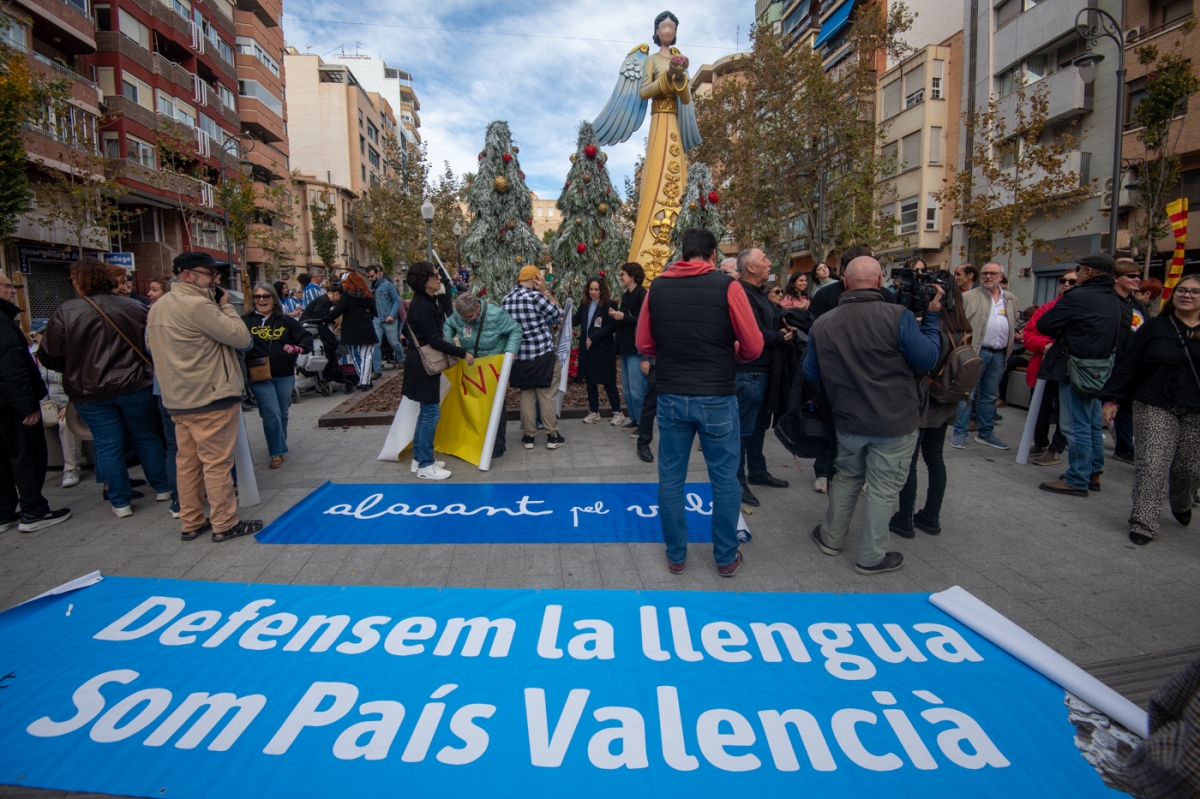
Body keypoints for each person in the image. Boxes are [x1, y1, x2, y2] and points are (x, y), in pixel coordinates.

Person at [804, 256, 943, 575]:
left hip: (848, 419)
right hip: (894, 421)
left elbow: (811, 372)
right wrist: (932, 320)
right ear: (879, 281)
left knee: (847, 477)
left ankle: (830, 538)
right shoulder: (898, 316)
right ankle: (871, 556)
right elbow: (926, 360)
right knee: (882, 487)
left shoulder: (823, 323)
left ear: (846, 282)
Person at [636, 229, 763, 576]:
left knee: (671, 478)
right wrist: (732, 350)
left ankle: (676, 555)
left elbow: (644, 343)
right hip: (717, 396)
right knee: (724, 480)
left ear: (682, 252)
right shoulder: (728, 287)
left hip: (672, 395)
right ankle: (725, 557)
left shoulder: (657, 288)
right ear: (711, 255)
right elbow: (753, 347)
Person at [39, 259, 170, 519]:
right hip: (135, 384)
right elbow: (151, 344)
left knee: (107, 444)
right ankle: (163, 487)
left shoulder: (66, 311)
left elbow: (49, 355)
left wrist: (75, 368)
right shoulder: (134, 307)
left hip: (89, 390)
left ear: (79, 281)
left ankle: (120, 501)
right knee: (146, 435)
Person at [147, 252, 261, 542]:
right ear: (187, 275)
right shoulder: (199, 305)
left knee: (187, 463)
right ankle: (224, 523)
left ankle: (192, 521)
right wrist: (225, 308)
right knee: (217, 464)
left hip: (178, 398)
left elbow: (151, 346)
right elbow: (242, 339)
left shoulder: (159, 307)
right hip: (210, 397)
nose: (215, 280)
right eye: (209, 274)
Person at [1101, 273, 1199, 544]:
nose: (1186, 295)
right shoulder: (1155, 327)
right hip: (1154, 403)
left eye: (1194, 291)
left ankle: (1181, 501)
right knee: (1152, 464)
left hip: (1195, 409)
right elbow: (1129, 363)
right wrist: (1112, 399)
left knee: (1188, 467)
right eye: (1182, 290)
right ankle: (1143, 522)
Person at [1035, 252, 1133, 497]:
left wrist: (1066, 325)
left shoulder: (1079, 296)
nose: (1075, 275)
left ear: (1088, 271)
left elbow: (1044, 324)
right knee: (1090, 424)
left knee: (1075, 425)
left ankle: (1077, 478)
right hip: (1102, 369)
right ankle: (1093, 472)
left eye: (1078, 270)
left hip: (1076, 367)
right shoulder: (1117, 299)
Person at [891, 274, 972, 538]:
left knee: (910, 461)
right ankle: (931, 516)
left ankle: (904, 519)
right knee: (935, 459)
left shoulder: (933, 326)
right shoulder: (962, 326)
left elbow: (920, 362)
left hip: (924, 399)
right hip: (946, 397)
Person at [0, 273, 71, 533]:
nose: (12, 290)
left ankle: (4, 512)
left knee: (4, 460)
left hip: (6, 403)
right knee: (25, 456)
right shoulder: (3, 324)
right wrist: (27, 406)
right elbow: (12, 369)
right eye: (7, 285)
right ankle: (34, 511)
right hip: (11, 406)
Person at [808, 245, 876, 493]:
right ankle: (823, 472)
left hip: (871, 378)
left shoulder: (885, 297)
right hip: (833, 376)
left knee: (866, 428)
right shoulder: (826, 295)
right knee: (829, 425)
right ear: (845, 270)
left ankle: (863, 474)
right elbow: (812, 332)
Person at [734, 248, 793, 507]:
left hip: (765, 370)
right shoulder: (741, 294)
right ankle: (737, 481)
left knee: (758, 427)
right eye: (765, 260)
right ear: (751, 268)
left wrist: (783, 325)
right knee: (743, 431)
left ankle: (757, 472)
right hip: (750, 372)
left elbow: (770, 322)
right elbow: (753, 334)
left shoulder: (759, 294)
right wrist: (781, 336)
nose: (770, 264)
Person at [403, 261, 472, 480]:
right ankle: (425, 465)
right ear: (424, 280)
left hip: (420, 364)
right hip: (423, 365)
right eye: (434, 275)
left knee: (426, 412)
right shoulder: (422, 305)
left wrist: (442, 297)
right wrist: (462, 353)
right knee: (431, 413)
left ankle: (419, 459)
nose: (439, 278)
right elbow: (434, 339)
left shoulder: (425, 301)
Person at [242, 283, 312, 469]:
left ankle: (278, 445)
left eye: (266, 296)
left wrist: (297, 348)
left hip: (284, 373)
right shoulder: (245, 321)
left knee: (282, 412)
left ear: (274, 299)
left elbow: (306, 339)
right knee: (270, 412)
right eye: (257, 297)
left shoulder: (286, 321)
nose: (262, 300)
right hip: (258, 375)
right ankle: (277, 452)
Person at [445, 294, 522, 459]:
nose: (468, 320)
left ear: (478, 308)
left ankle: (498, 445)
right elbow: (448, 325)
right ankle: (476, 438)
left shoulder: (496, 315)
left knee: (496, 403)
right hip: (471, 366)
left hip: (492, 365)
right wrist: (451, 344)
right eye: (464, 317)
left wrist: (511, 351)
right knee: (475, 403)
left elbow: (515, 330)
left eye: (471, 316)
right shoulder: (459, 316)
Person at [951, 262, 1018, 450]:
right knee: (967, 394)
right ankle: (959, 433)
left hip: (999, 354)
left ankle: (986, 433)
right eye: (985, 273)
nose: (988, 276)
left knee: (990, 395)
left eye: (993, 273)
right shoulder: (969, 297)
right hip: (975, 351)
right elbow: (957, 324)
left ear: (1001, 276)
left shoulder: (1010, 299)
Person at [503, 266, 566, 450]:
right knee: (546, 395)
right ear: (536, 278)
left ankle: (529, 437)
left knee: (526, 395)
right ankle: (552, 436)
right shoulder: (536, 297)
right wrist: (545, 291)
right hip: (541, 355)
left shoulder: (506, 299)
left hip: (520, 357)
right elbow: (559, 314)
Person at [1023, 270, 1077, 466]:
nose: (1067, 284)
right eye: (1064, 280)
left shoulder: (1085, 309)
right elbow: (1028, 335)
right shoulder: (1045, 309)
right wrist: (1045, 344)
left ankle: (1055, 449)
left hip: (1070, 369)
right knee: (1039, 408)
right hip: (1044, 368)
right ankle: (1040, 442)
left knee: (1065, 410)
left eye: (1072, 281)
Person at [29, 319, 79, 488]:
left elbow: (76, 380)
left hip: (66, 404)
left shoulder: (65, 352)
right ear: (34, 336)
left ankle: (71, 469)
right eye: (43, 333)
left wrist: (70, 404)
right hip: (42, 405)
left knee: (66, 424)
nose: (47, 336)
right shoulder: (30, 356)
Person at [144, 278, 180, 517]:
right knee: (209, 447)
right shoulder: (199, 311)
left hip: (165, 388)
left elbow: (149, 348)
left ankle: (179, 499)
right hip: (194, 391)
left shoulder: (153, 314)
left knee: (175, 447)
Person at [1110, 259, 1149, 464]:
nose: (1137, 280)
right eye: (1131, 276)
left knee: (1126, 406)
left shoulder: (1138, 305)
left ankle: (1125, 447)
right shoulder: (1108, 301)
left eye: (1138, 276)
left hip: (1130, 364)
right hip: (1108, 363)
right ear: (1116, 277)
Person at [574, 276, 623, 426]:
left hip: (603, 349)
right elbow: (575, 320)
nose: (593, 292)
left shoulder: (610, 304)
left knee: (608, 381)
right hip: (588, 349)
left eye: (596, 289)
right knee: (590, 382)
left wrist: (594, 336)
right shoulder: (584, 305)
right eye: (591, 289)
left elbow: (612, 326)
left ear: (602, 290)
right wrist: (563, 322)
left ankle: (617, 412)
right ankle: (594, 411)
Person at [609, 262, 647, 434]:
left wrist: (622, 316)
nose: (620, 277)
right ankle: (634, 418)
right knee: (626, 388)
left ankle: (643, 423)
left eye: (623, 274)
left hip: (636, 348)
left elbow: (644, 321)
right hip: (625, 347)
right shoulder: (626, 296)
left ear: (632, 276)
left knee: (637, 389)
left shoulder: (643, 295)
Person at [322, 271, 377, 390]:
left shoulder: (347, 295)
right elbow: (374, 312)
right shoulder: (369, 295)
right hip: (366, 328)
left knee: (355, 356)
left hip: (350, 329)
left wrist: (325, 319)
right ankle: (365, 380)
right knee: (366, 356)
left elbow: (338, 311)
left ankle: (362, 380)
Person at [809, 245, 886, 320]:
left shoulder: (887, 296)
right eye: (855, 270)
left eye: (867, 269)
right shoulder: (822, 296)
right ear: (844, 271)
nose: (861, 275)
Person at [366, 264, 403, 378]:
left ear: (378, 273)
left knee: (394, 342)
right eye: (368, 276)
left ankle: (401, 359)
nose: (370, 279)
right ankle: (377, 370)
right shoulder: (370, 288)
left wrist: (392, 315)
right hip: (376, 319)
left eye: (371, 276)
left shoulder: (387, 285)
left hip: (388, 319)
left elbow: (397, 300)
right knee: (376, 344)